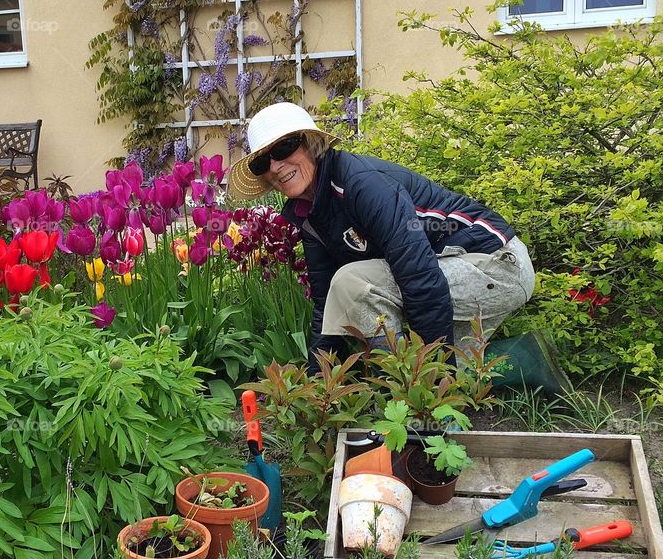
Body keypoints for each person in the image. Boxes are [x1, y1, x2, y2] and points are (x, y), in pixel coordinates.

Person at [228, 102, 536, 373]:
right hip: (454, 269)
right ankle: (529, 359)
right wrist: (317, 382)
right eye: (262, 162)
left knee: (356, 283)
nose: (275, 166)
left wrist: (431, 386)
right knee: (466, 372)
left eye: (283, 149)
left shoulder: (361, 185)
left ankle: (404, 386)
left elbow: (418, 276)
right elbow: (326, 301)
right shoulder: (311, 215)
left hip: (498, 265)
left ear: (310, 144)